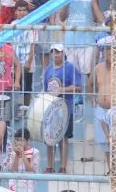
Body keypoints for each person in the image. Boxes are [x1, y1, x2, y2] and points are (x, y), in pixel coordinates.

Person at [42, 44, 82, 173]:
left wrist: (62, 89)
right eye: (53, 52)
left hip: (65, 107)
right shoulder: (48, 69)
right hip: (51, 108)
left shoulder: (70, 68)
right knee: (49, 137)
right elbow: (45, 88)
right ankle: (50, 166)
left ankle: (63, 167)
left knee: (64, 137)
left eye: (58, 52)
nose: (56, 54)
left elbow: (79, 87)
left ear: (63, 53)